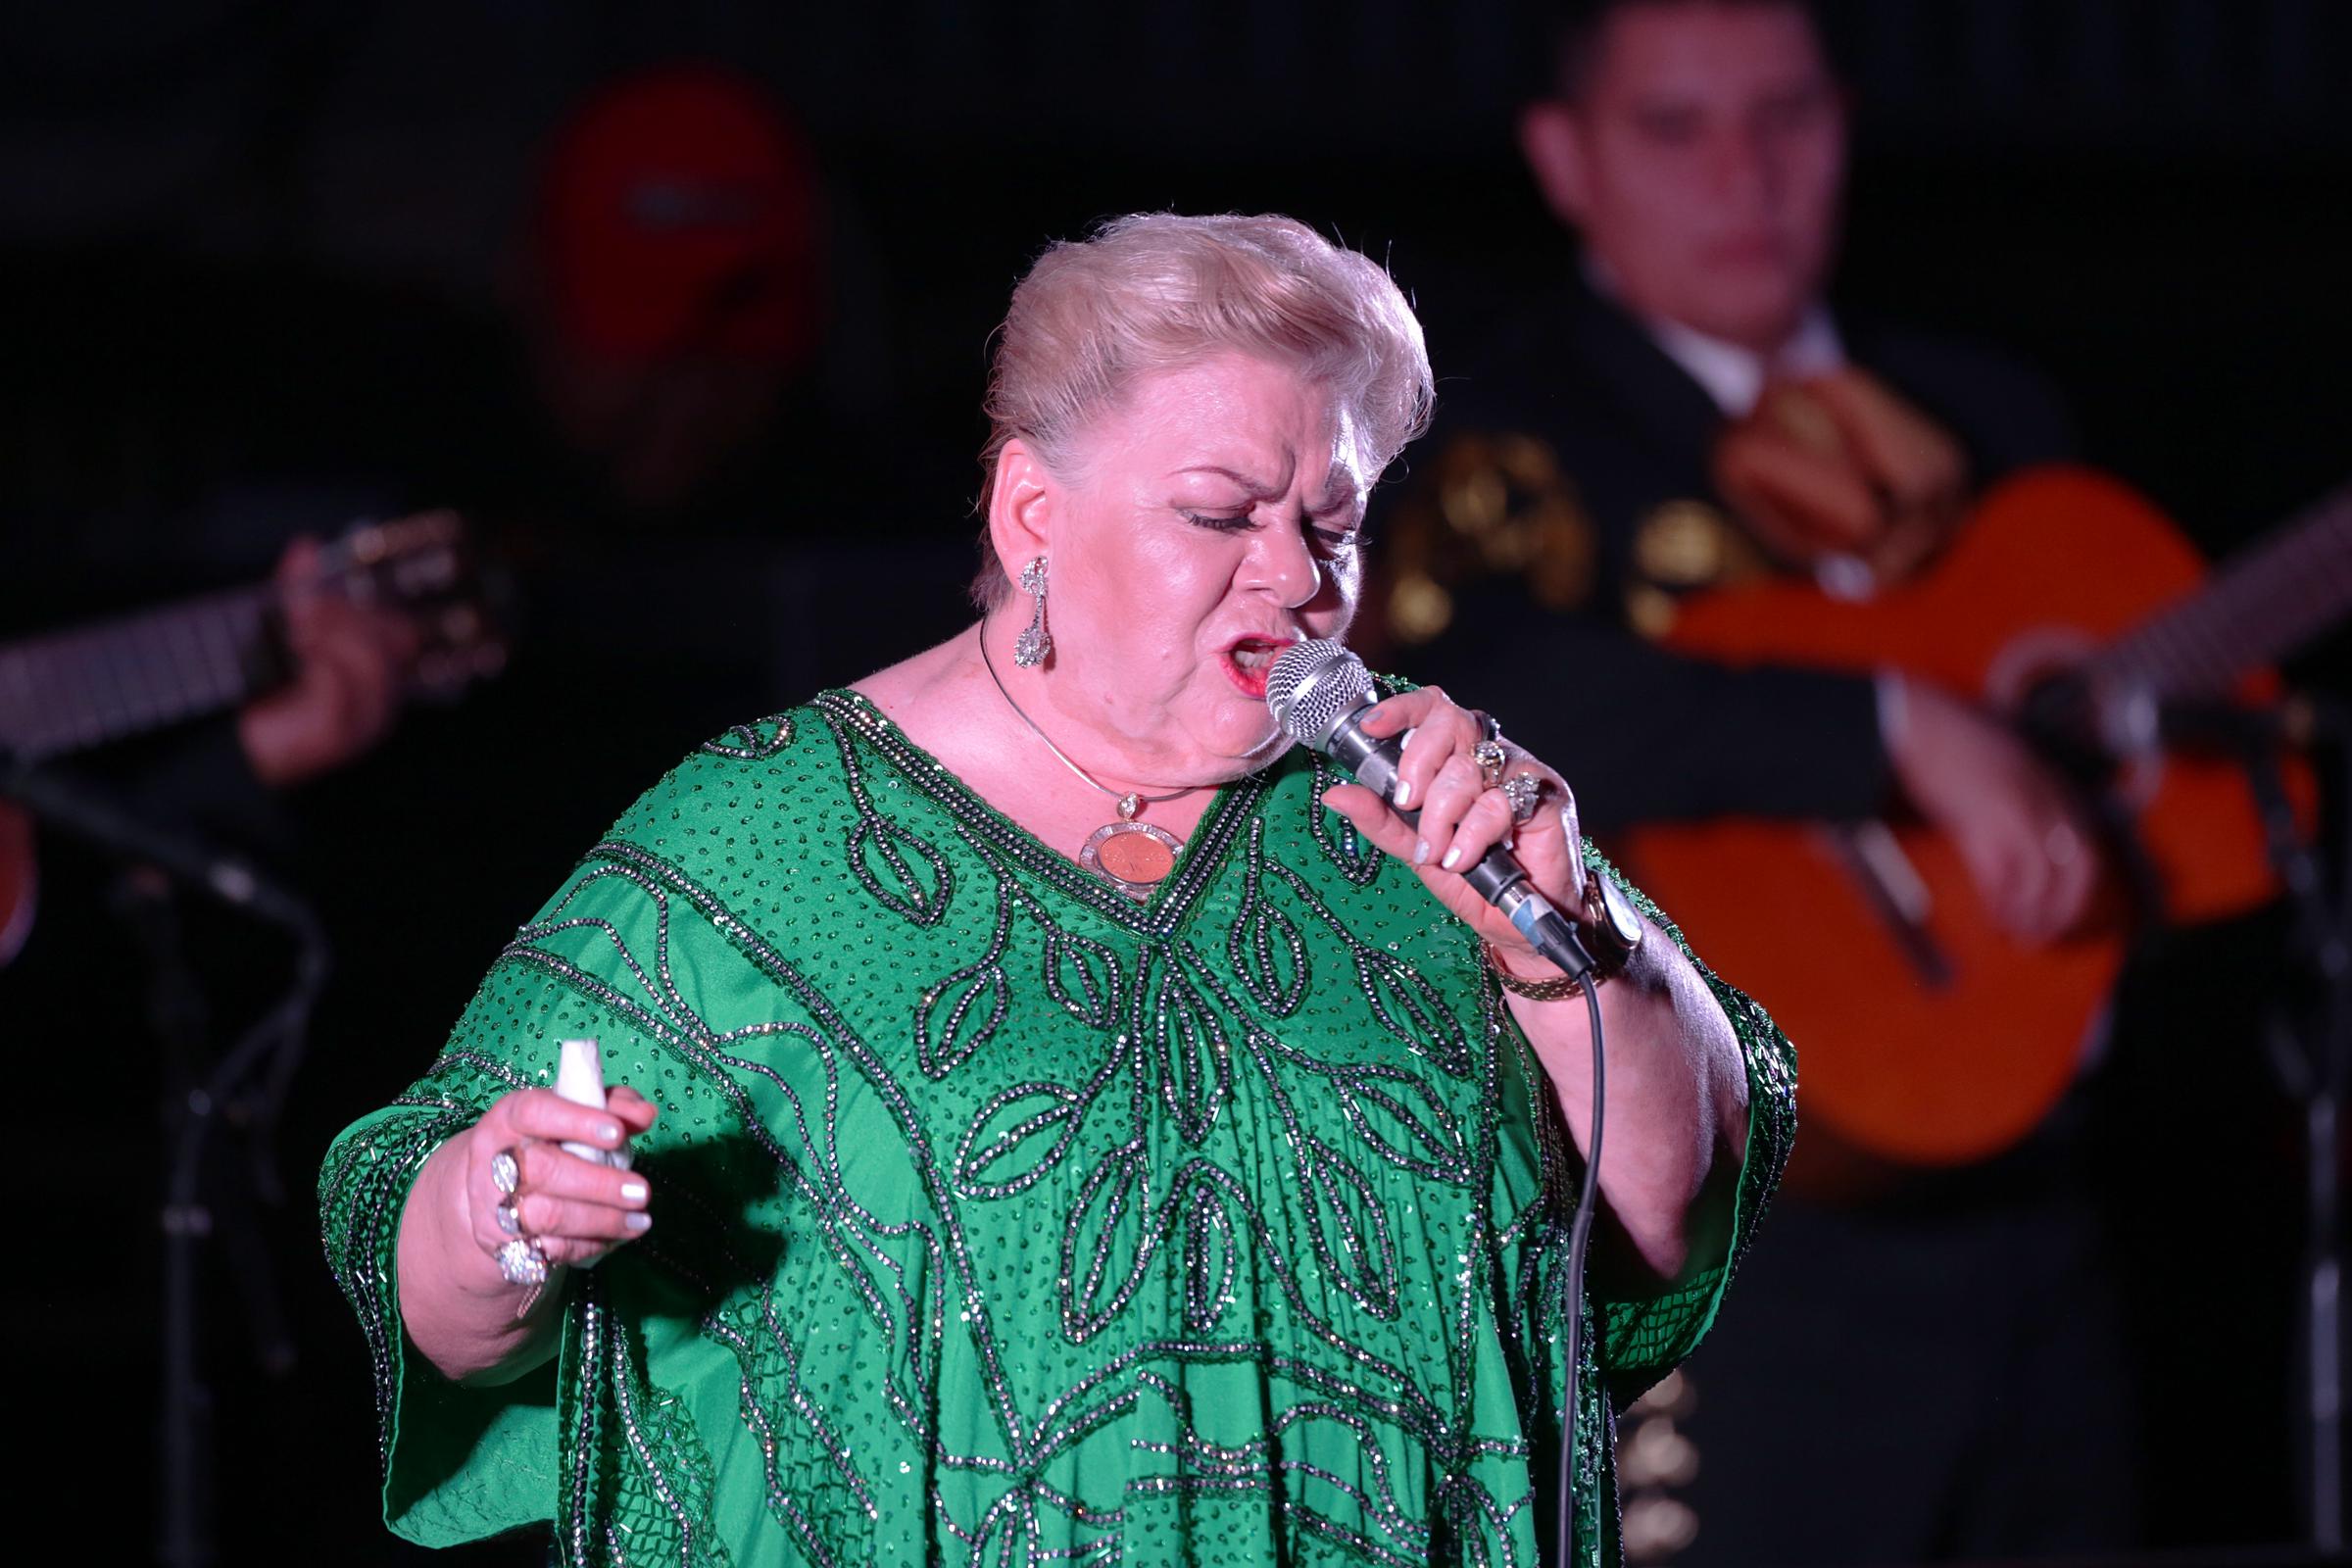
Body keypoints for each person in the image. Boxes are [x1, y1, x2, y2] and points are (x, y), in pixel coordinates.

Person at [319, 213, 1795, 1564]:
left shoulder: (1429, 797)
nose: (1296, 579)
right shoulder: (764, 839)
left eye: (1332, 525)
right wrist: (502, 1217)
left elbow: (1676, 1218)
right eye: (1222, 514)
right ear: (1032, 515)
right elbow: (440, 1293)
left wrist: (1579, 952)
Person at [1380, 1, 2136, 1560]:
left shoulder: (1994, 423)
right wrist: (1893, 728)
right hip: (1738, 1252)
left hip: (2054, 1214)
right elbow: (1487, 701)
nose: (1746, 175)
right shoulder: (1497, 444)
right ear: (1564, 157)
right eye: (1676, 128)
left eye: (1787, 117)